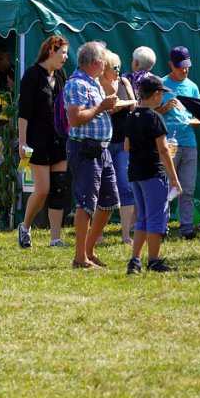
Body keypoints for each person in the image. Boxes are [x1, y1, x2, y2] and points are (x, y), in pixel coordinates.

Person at [64, 41, 119, 268]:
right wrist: (102, 108)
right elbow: (74, 119)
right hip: (85, 148)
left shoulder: (93, 82)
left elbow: (95, 112)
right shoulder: (77, 84)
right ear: (96, 63)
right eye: (104, 61)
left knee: (108, 203)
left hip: (100, 149)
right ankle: (80, 257)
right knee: (86, 203)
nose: (106, 64)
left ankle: (88, 251)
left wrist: (108, 106)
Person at [17, 36, 70, 248]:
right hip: (37, 140)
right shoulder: (31, 75)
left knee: (59, 188)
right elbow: (24, 114)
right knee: (42, 190)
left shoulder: (61, 74)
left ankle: (55, 238)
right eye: (63, 53)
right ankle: (25, 227)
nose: (66, 58)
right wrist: (22, 142)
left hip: (59, 139)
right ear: (51, 51)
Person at [125, 74, 181, 274]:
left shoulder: (131, 117)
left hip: (135, 173)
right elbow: (164, 150)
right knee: (157, 217)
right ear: (156, 95)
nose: (163, 99)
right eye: (162, 95)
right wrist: (174, 178)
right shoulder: (155, 117)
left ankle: (135, 260)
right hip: (152, 173)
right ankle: (154, 260)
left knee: (142, 218)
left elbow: (126, 146)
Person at [160, 46, 200, 239]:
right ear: (170, 65)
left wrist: (197, 122)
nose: (184, 70)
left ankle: (187, 227)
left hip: (189, 142)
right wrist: (164, 108)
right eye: (180, 67)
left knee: (188, 188)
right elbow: (150, 113)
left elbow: (197, 114)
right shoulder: (160, 84)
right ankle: (161, 226)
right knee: (165, 186)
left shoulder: (192, 86)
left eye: (187, 66)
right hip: (168, 145)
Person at [102, 50, 137, 244]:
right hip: (104, 143)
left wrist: (123, 105)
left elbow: (134, 106)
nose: (117, 71)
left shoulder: (124, 82)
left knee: (125, 186)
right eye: (113, 68)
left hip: (123, 143)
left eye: (118, 67)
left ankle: (125, 235)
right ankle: (97, 233)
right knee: (100, 187)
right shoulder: (97, 85)